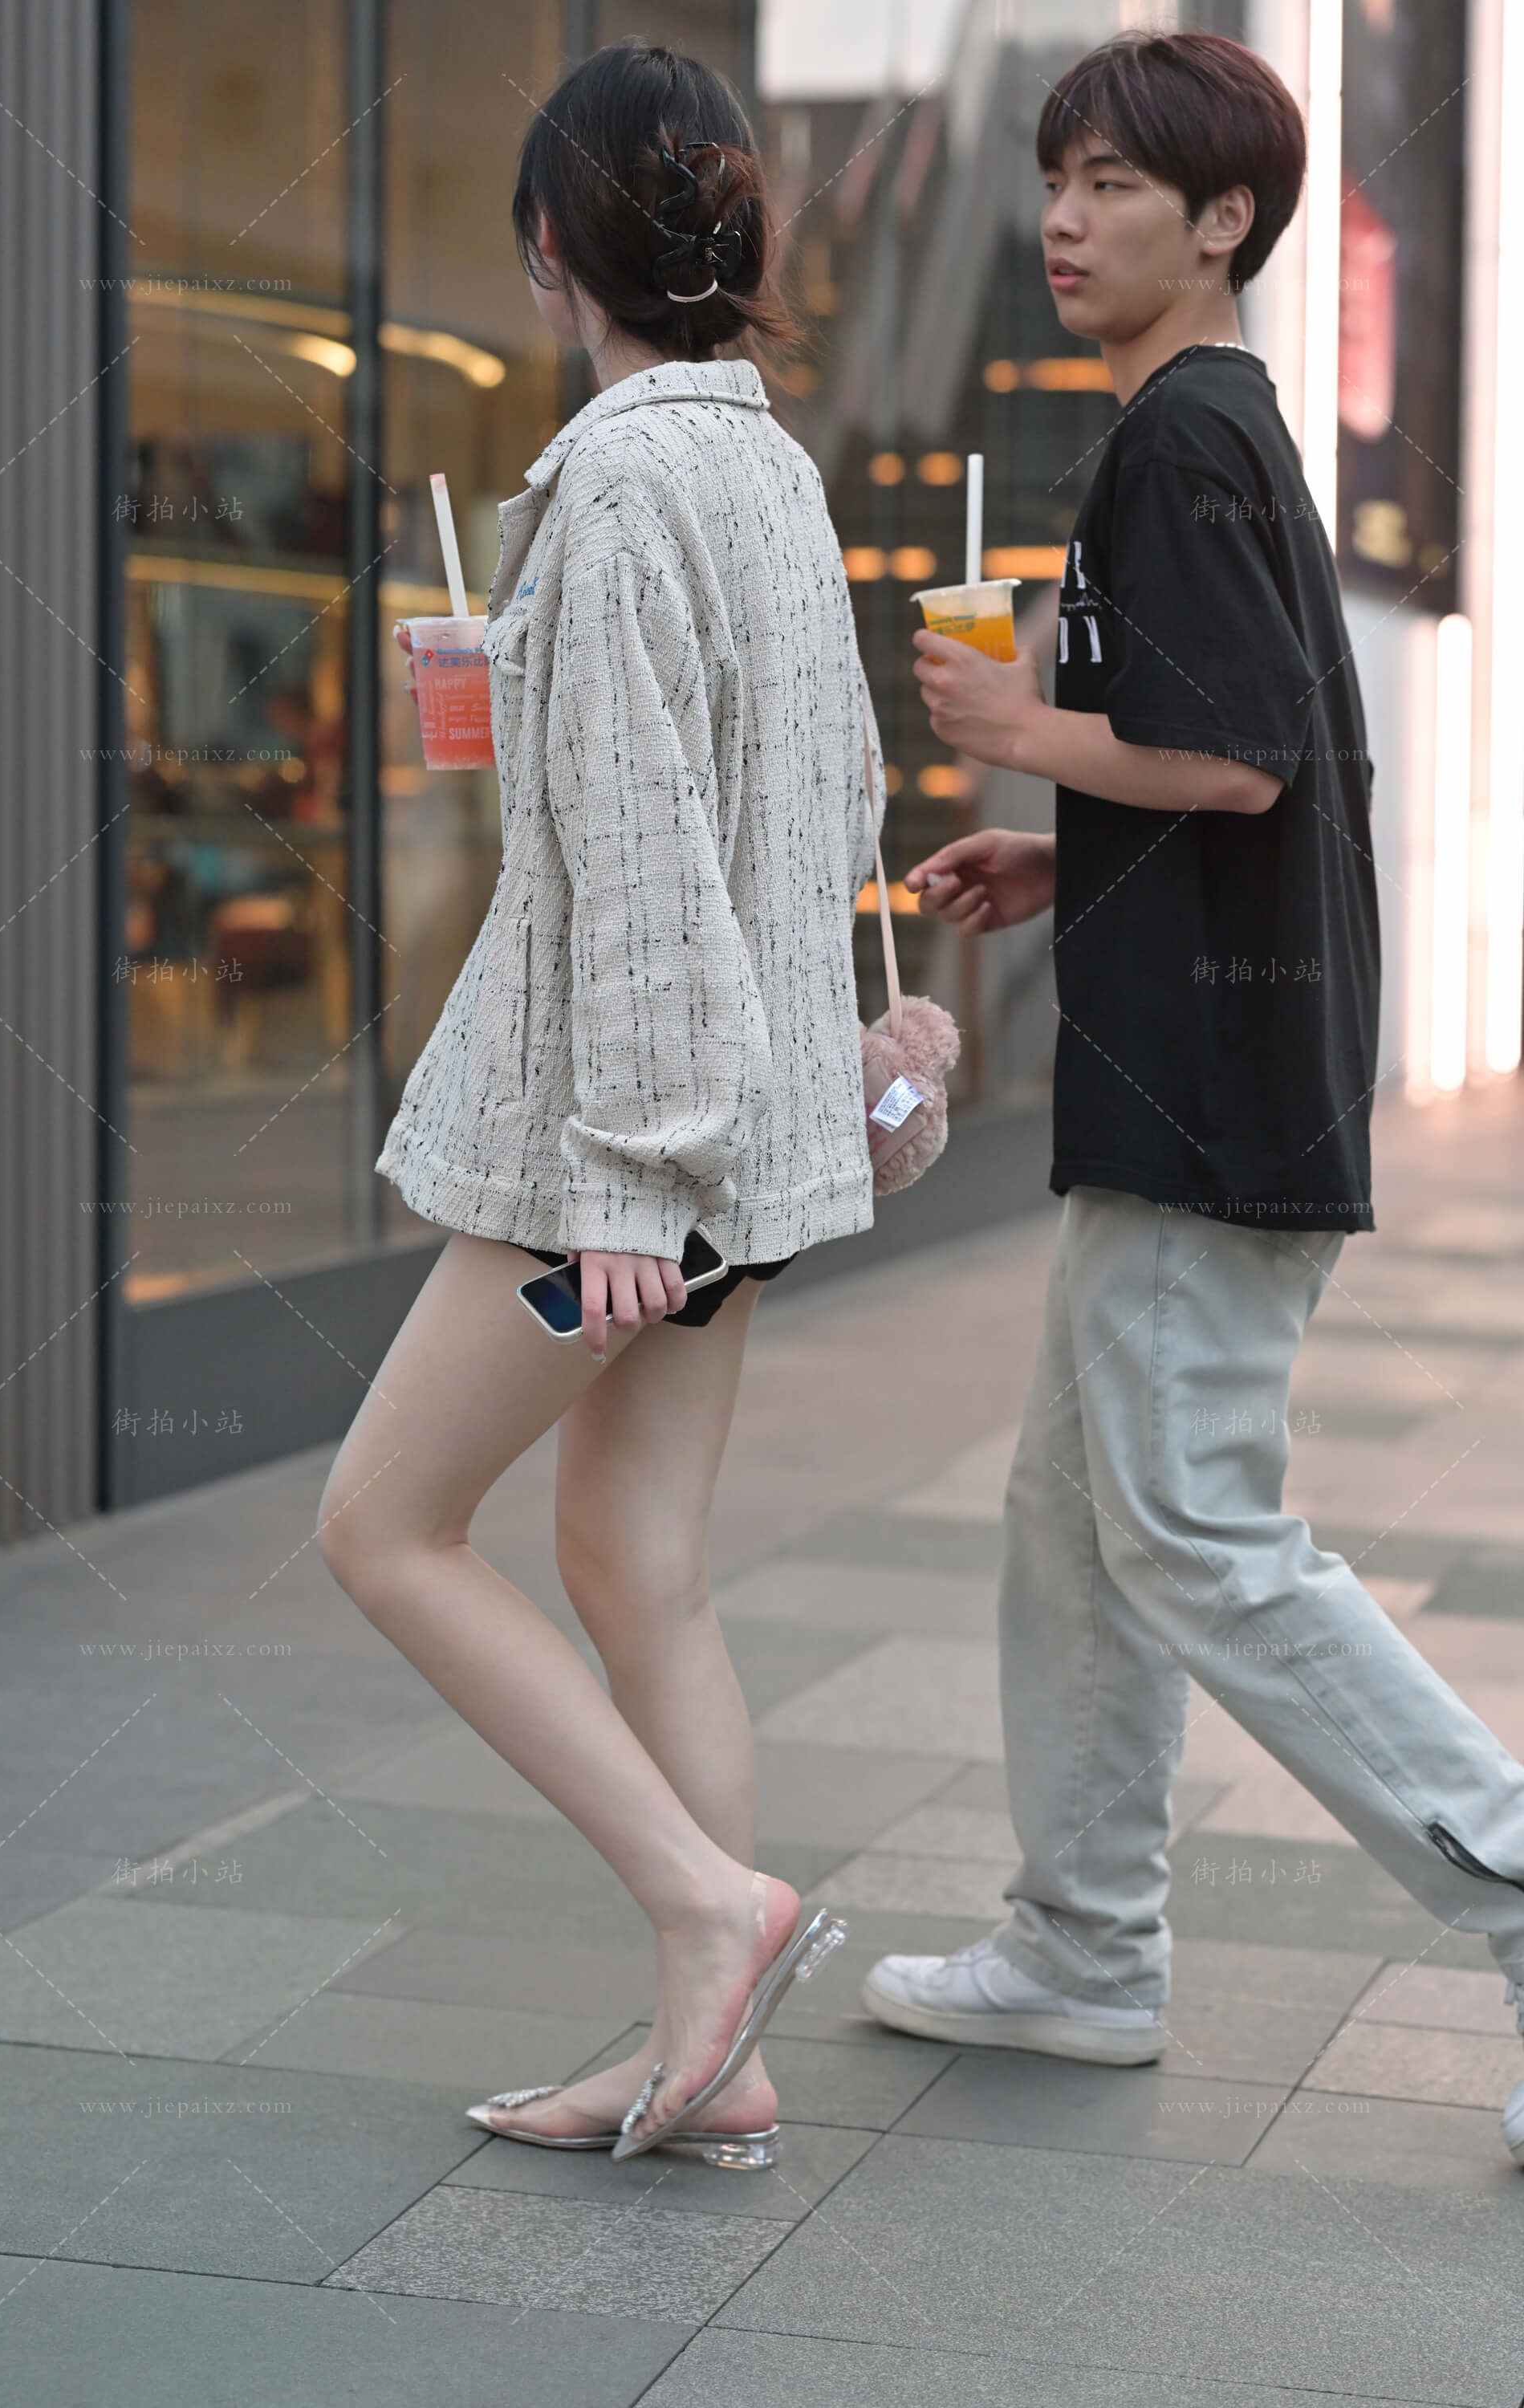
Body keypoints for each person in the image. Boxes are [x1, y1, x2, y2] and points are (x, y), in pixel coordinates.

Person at [860, 27, 1524, 2166]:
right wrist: (1066, 846)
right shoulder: (1204, 428)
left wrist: (1014, 737)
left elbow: (1232, 758)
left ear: (1226, 219)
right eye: (1056, 180)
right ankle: (1082, 1949)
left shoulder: (1190, 437)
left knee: (1195, 1533)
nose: (1065, 222)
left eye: (1116, 188)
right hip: (1206, 1068)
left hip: (1217, 1096)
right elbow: (1250, 766)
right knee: (1079, 1527)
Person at [319, 39, 873, 2168]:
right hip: (730, 1145)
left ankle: (709, 1910)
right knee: (642, 1567)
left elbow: (648, 856)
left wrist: (632, 1181)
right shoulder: (772, 474)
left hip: (620, 1159)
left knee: (386, 1526)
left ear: (552, 248)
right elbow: (807, 800)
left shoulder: (624, 486)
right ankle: (717, 2055)